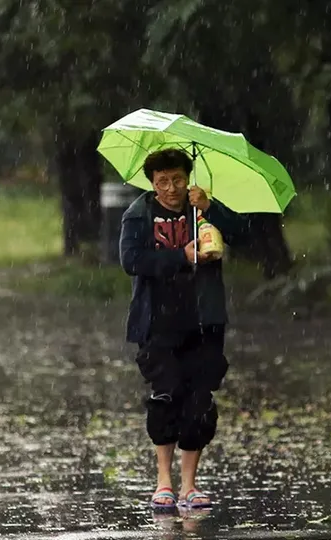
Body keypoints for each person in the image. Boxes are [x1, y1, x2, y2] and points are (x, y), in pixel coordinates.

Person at [119, 148, 251, 510]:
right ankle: (164, 480)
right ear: (152, 183)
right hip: (157, 322)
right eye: (162, 182)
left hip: (204, 318)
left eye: (177, 179)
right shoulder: (140, 214)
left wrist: (211, 208)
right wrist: (182, 257)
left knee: (199, 401)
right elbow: (131, 260)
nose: (171, 188)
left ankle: (190, 485)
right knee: (166, 395)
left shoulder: (203, 209)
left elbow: (245, 233)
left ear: (187, 178)